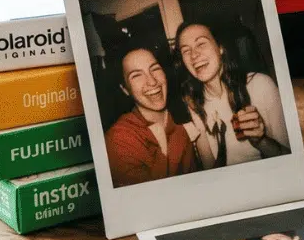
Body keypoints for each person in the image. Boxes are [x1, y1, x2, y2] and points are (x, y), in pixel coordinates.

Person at [174, 21, 289, 168]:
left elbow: (291, 159)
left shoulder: (260, 85)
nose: (194, 55)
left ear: (220, 47)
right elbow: (212, 171)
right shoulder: (194, 104)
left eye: (201, 44)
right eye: (186, 51)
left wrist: (260, 141)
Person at [103, 46, 199, 186]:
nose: (152, 81)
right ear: (125, 89)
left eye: (155, 68)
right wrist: (163, 152)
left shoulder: (183, 118)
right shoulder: (119, 139)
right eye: (136, 75)